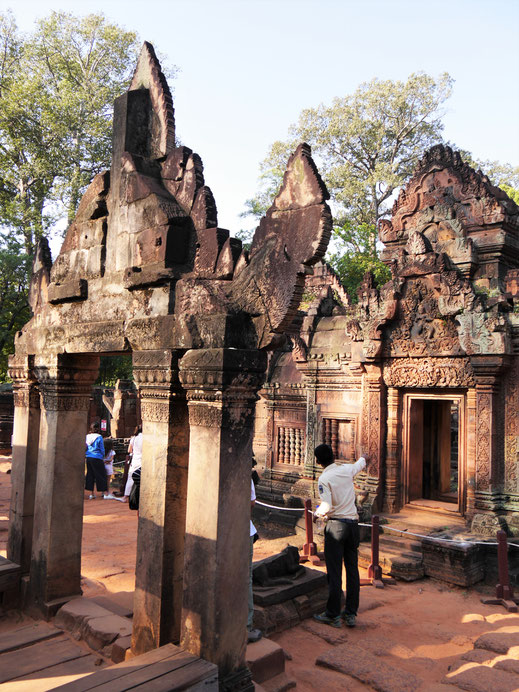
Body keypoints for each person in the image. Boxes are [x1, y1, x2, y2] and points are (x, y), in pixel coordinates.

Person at [313, 444, 366, 628]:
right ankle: (351, 613)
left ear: (318, 461)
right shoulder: (346, 469)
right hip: (353, 526)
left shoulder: (324, 478)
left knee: (334, 572)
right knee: (352, 570)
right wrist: (365, 456)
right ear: (333, 456)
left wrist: (316, 514)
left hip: (336, 526)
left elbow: (326, 505)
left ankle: (333, 614)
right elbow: (360, 463)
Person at [247, 477, 262, 643]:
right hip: (243, 530)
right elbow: (252, 503)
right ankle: (245, 626)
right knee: (245, 579)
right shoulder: (244, 475)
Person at [85, 421, 108, 499]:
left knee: (90, 474)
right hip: (97, 457)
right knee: (101, 474)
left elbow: (85, 446)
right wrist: (103, 456)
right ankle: (103, 492)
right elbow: (101, 448)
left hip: (89, 457)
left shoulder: (87, 436)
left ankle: (91, 494)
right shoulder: (99, 437)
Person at [123, 425, 143, 503]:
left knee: (130, 478)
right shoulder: (147, 438)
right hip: (143, 460)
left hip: (135, 460)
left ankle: (125, 496)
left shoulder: (134, 438)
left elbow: (129, 450)